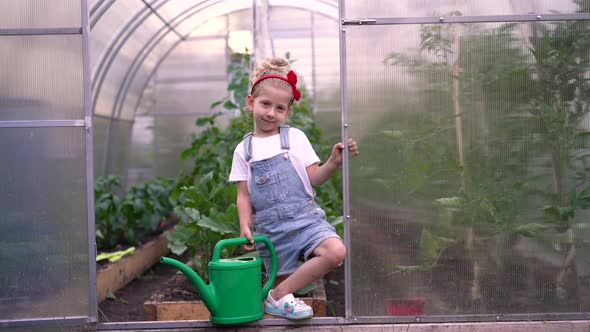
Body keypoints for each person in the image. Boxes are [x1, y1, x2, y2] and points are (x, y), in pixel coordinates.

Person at [229, 57, 359, 320]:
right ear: (251, 102)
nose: (271, 113)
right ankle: (280, 297)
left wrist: (333, 162)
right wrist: (245, 225)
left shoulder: (295, 138)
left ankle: (275, 295)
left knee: (335, 252)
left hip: (305, 218)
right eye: (265, 104)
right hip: (272, 230)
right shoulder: (244, 150)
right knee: (285, 306)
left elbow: (314, 178)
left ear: (287, 112)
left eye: (279, 108)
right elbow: (243, 194)